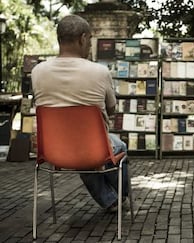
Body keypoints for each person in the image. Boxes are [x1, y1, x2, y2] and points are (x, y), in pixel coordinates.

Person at [31, 14, 129, 212]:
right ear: (83, 39)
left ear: (59, 39)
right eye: (90, 40)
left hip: (54, 150)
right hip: (93, 147)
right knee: (117, 146)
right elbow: (111, 110)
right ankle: (123, 196)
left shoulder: (38, 71)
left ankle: (109, 201)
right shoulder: (99, 72)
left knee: (79, 148)